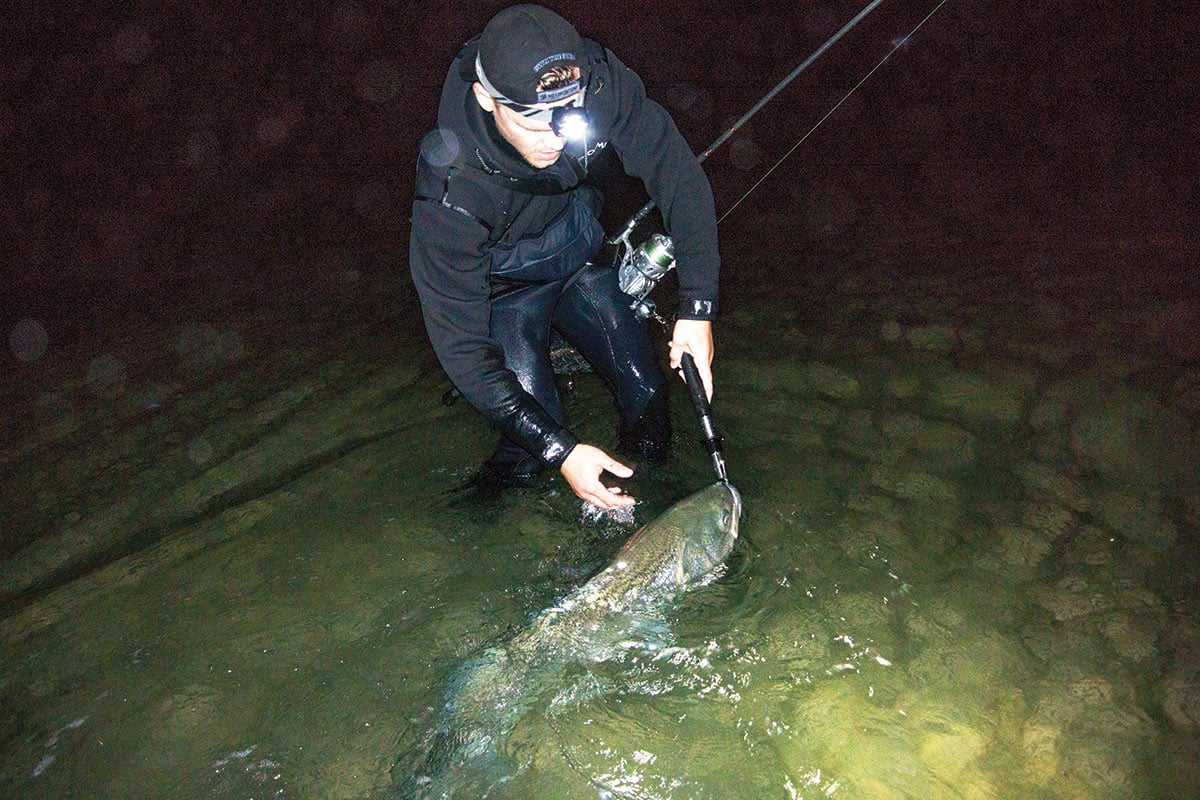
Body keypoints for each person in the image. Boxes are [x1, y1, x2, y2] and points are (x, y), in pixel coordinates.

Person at [409, 4, 720, 511]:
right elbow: (461, 349)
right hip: (505, 291)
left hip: (575, 252)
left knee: (649, 397)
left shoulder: (596, 77)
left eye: (566, 115)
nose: (554, 138)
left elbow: (676, 172)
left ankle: (639, 510)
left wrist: (698, 307)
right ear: (487, 100)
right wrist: (563, 450)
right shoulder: (450, 194)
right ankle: (481, 524)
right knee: (531, 444)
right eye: (533, 121)